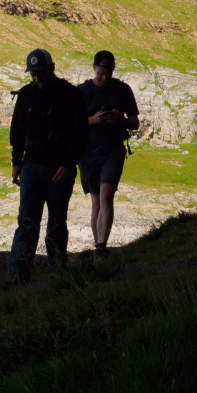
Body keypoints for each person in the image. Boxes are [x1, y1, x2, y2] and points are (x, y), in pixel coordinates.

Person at [8, 47, 88, 282]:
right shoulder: (25, 95)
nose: (37, 78)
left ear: (52, 68)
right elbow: (17, 131)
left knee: (56, 221)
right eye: (32, 73)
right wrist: (16, 161)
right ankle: (19, 276)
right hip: (31, 167)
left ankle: (57, 274)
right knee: (27, 221)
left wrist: (68, 163)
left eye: (40, 72)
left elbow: (80, 133)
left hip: (59, 170)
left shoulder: (70, 95)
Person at [77, 49, 139, 253]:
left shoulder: (122, 90)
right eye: (101, 73)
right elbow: (69, 125)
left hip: (113, 150)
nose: (104, 78)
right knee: (96, 201)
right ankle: (98, 246)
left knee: (106, 196)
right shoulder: (82, 92)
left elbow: (135, 123)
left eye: (108, 73)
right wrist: (92, 120)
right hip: (87, 153)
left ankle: (101, 246)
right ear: (94, 68)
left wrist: (119, 119)